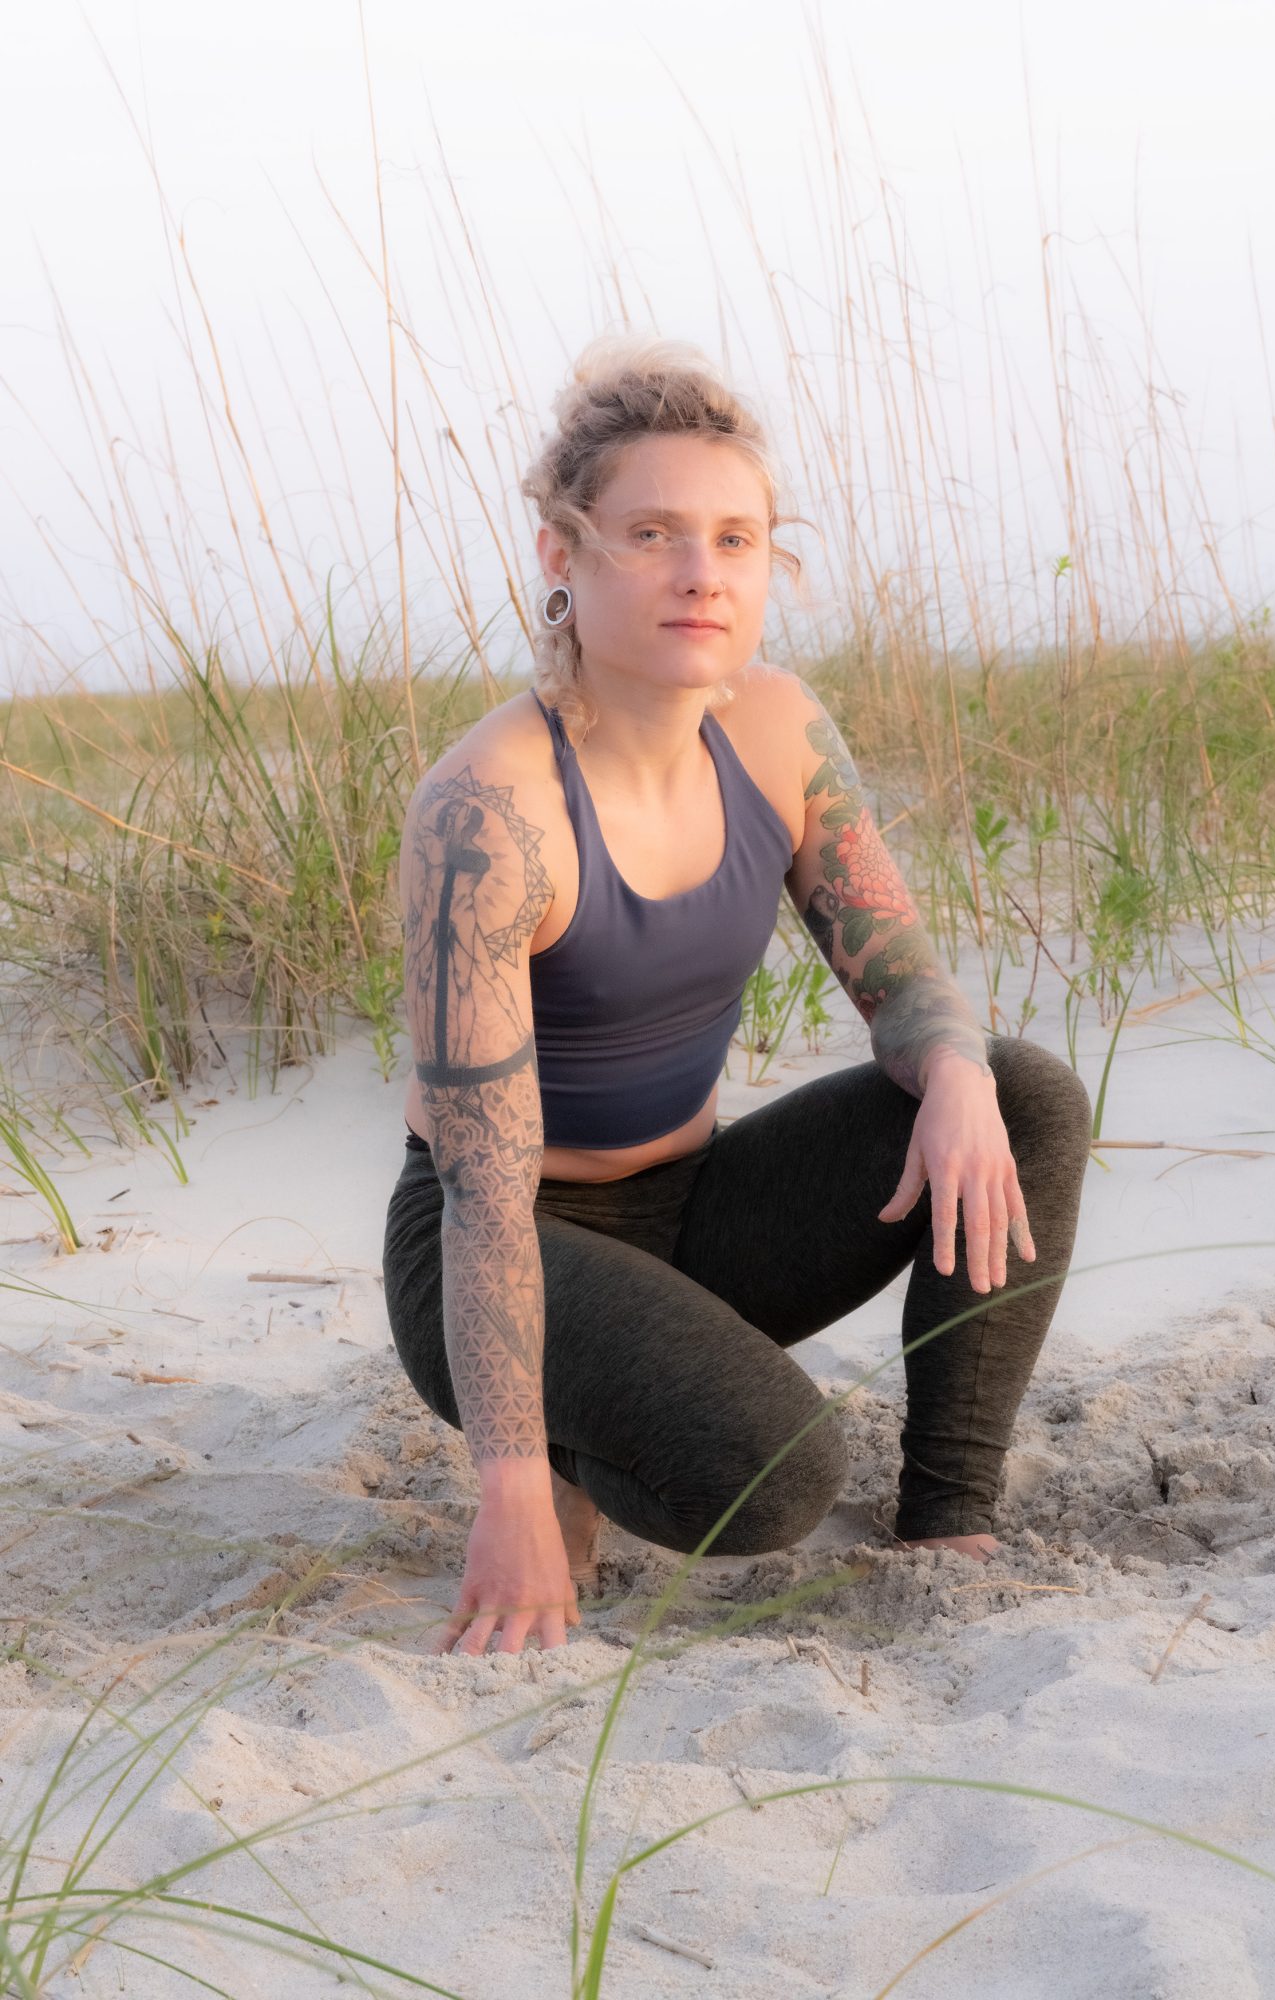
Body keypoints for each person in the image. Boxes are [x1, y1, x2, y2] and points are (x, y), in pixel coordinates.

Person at [383, 334, 1092, 1659]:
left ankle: (945, 1515)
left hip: (697, 1212)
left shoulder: (772, 725)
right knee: (776, 1478)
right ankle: (585, 1445)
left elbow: (901, 977)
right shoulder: (488, 811)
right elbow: (481, 1191)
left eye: (735, 537)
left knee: (1019, 1091)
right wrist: (512, 1485)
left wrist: (946, 1075)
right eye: (650, 532)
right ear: (563, 555)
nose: (700, 573)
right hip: (507, 1244)